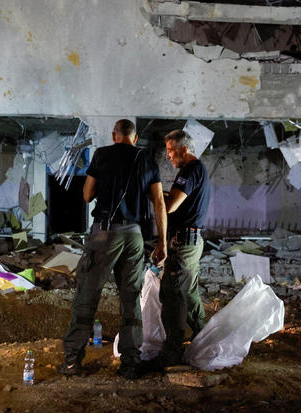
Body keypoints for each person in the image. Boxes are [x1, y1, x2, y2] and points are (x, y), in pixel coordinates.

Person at [59, 119, 167, 379]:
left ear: (114, 135)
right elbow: (159, 202)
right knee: (131, 301)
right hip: (134, 235)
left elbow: (86, 195)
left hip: (105, 234)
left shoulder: (102, 154)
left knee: (87, 296)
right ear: (135, 136)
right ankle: (130, 363)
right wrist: (162, 242)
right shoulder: (147, 159)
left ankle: (73, 361)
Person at [155, 129, 211, 366]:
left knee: (173, 294)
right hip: (191, 240)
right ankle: (204, 337)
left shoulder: (190, 170)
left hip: (185, 242)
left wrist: (157, 195)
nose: (168, 156)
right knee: (187, 292)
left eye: (170, 151)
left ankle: (173, 351)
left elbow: (170, 207)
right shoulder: (198, 171)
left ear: (183, 150)